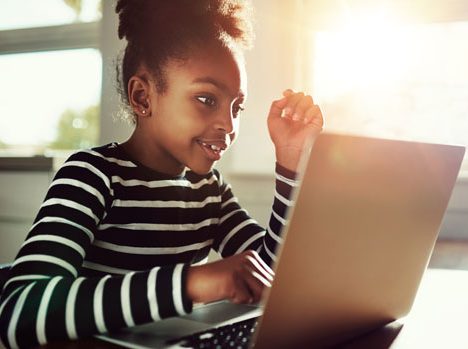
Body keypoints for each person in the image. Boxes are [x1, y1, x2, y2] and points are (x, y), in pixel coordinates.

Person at [0, 1, 323, 347]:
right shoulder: (93, 176)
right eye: (206, 99)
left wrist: (290, 164)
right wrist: (190, 284)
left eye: (236, 107)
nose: (228, 125)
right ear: (143, 97)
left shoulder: (210, 192)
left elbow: (271, 276)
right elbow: (18, 312)